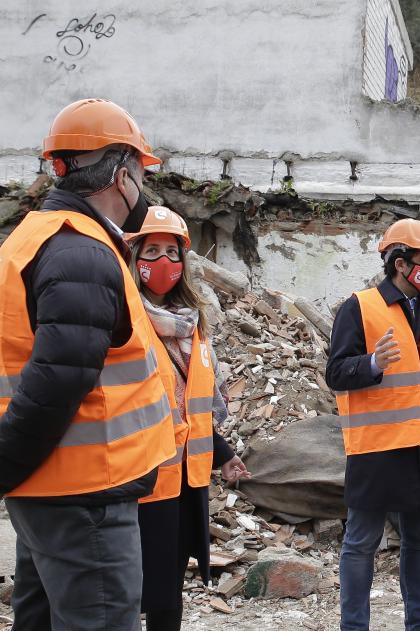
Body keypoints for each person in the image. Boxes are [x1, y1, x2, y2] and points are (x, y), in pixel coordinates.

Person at [0, 98, 177, 630]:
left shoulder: (38, 238)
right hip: (83, 497)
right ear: (121, 172)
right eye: (140, 172)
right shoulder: (79, 252)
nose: (142, 185)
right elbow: (56, 383)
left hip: (50, 489)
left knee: (40, 618)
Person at [325, 218, 420, 631]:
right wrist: (372, 363)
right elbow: (336, 372)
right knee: (361, 544)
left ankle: (419, 625)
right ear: (399, 262)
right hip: (375, 446)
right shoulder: (360, 306)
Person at [124, 206, 251, 631]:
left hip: (182, 481)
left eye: (172, 252)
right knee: (124, 592)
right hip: (135, 480)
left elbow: (190, 405)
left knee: (167, 593)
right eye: (153, 250)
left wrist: (224, 453)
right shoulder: (123, 318)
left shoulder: (190, 327)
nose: (164, 262)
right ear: (135, 258)